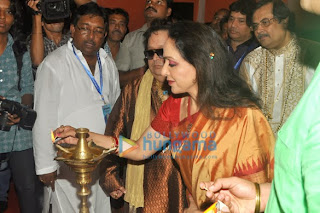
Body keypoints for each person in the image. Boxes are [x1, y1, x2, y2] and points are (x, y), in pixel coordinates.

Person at [55, 21, 275, 211]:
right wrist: (85, 136)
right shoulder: (176, 105)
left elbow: (250, 194)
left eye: (172, 63)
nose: (164, 71)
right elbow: (139, 149)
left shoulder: (242, 117)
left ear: (199, 62)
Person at [33, 2, 120, 212]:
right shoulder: (54, 64)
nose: (91, 36)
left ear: (105, 34)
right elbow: (43, 117)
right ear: (72, 29)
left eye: (98, 31)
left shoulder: (107, 62)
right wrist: (45, 166)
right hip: (67, 158)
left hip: (100, 155)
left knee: (99, 205)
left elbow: (116, 107)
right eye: (85, 29)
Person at [102, 19, 187, 212]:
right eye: (150, 53)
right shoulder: (133, 90)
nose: (156, 59)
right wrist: (110, 176)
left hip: (182, 187)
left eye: (162, 52)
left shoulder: (190, 92)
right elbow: (114, 134)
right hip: (142, 189)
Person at [239, 0, 320, 135]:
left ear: (284, 21)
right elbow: (244, 108)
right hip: (261, 143)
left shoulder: (314, 54)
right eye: (255, 25)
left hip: (303, 143)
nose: (259, 30)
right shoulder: (251, 61)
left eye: (265, 22)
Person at [0, 0, 42, 212]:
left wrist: (22, 110)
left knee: (28, 188)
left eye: (8, 12)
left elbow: (27, 87)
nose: (2, 17)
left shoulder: (19, 49)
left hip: (17, 129)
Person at [115, 0, 173, 87]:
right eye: (149, 1)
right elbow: (117, 78)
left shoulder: (179, 37)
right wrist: (143, 71)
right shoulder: (131, 38)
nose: (151, 5)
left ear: (168, 11)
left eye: (158, 2)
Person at [27, 0, 70, 78]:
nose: (55, 15)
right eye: (50, 10)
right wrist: (36, 14)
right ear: (42, 22)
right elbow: (37, 62)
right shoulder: (37, 43)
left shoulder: (73, 40)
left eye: (58, 9)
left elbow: (87, 8)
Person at [227, 0, 259, 71]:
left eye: (241, 21)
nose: (233, 25)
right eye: (231, 19)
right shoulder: (219, 45)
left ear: (251, 26)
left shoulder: (257, 51)